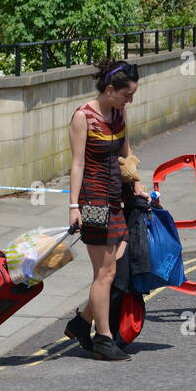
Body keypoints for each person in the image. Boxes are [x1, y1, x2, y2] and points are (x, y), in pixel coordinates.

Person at [65, 59, 151, 361]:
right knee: (106, 272)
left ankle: (80, 322)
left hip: (117, 197)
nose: (130, 100)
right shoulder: (83, 117)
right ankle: (103, 338)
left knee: (113, 267)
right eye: (127, 94)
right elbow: (77, 164)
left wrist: (137, 185)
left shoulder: (119, 112)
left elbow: (126, 153)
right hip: (93, 200)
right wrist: (74, 206)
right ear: (110, 90)